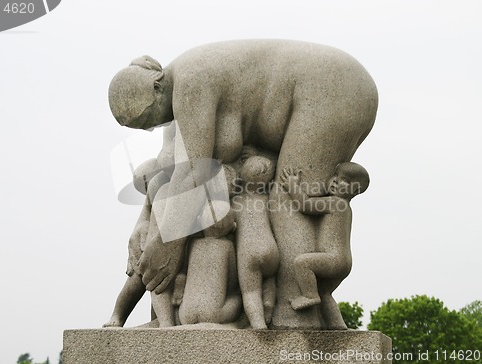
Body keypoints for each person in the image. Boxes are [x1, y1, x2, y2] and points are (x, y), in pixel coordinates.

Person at [108, 40, 378, 328]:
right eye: (142, 126)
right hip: (335, 85)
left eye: (149, 118)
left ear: (157, 88)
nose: (153, 127)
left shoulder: (190, 82)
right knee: (285, 194)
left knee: (289, 194)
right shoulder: (178, 95)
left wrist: (167, 241)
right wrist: (144, 221)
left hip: (328, 89)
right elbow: (170, 171)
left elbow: (193, 172)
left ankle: (296, 318)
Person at [103, 123, 180, 328]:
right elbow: (146, 215)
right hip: (154, 246)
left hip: (172, 242)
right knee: (140, 281)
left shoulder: (172, 185)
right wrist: (142, 229)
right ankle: (119, 315)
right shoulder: (158, 187)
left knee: (152, 281)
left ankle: (161, 322)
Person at [280, 162, 369, 329]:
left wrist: (292, 185)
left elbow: (305, 205)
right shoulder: (346, 208)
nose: (335, 181)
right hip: (344, 262)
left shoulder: (335, 203)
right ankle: (338, 326)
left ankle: (310, 295)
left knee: (302, 263)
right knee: (326, 294)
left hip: (333, 259)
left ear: (355, 191)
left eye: (344, 180)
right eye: (335, 176)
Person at [233, 155, 279, 329]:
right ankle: (268, 305)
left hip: (249, 253)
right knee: (270, 279)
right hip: (271, 250)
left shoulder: (236, 202)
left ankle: (258, 323)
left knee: (251, 291)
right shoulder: (267, 200)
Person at [178, 203, 242, 325]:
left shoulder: (193, 244)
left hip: (185, 315)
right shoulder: (227, 246)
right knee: (237, 298)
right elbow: (232, 281)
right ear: (232, 226)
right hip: (213, 315)